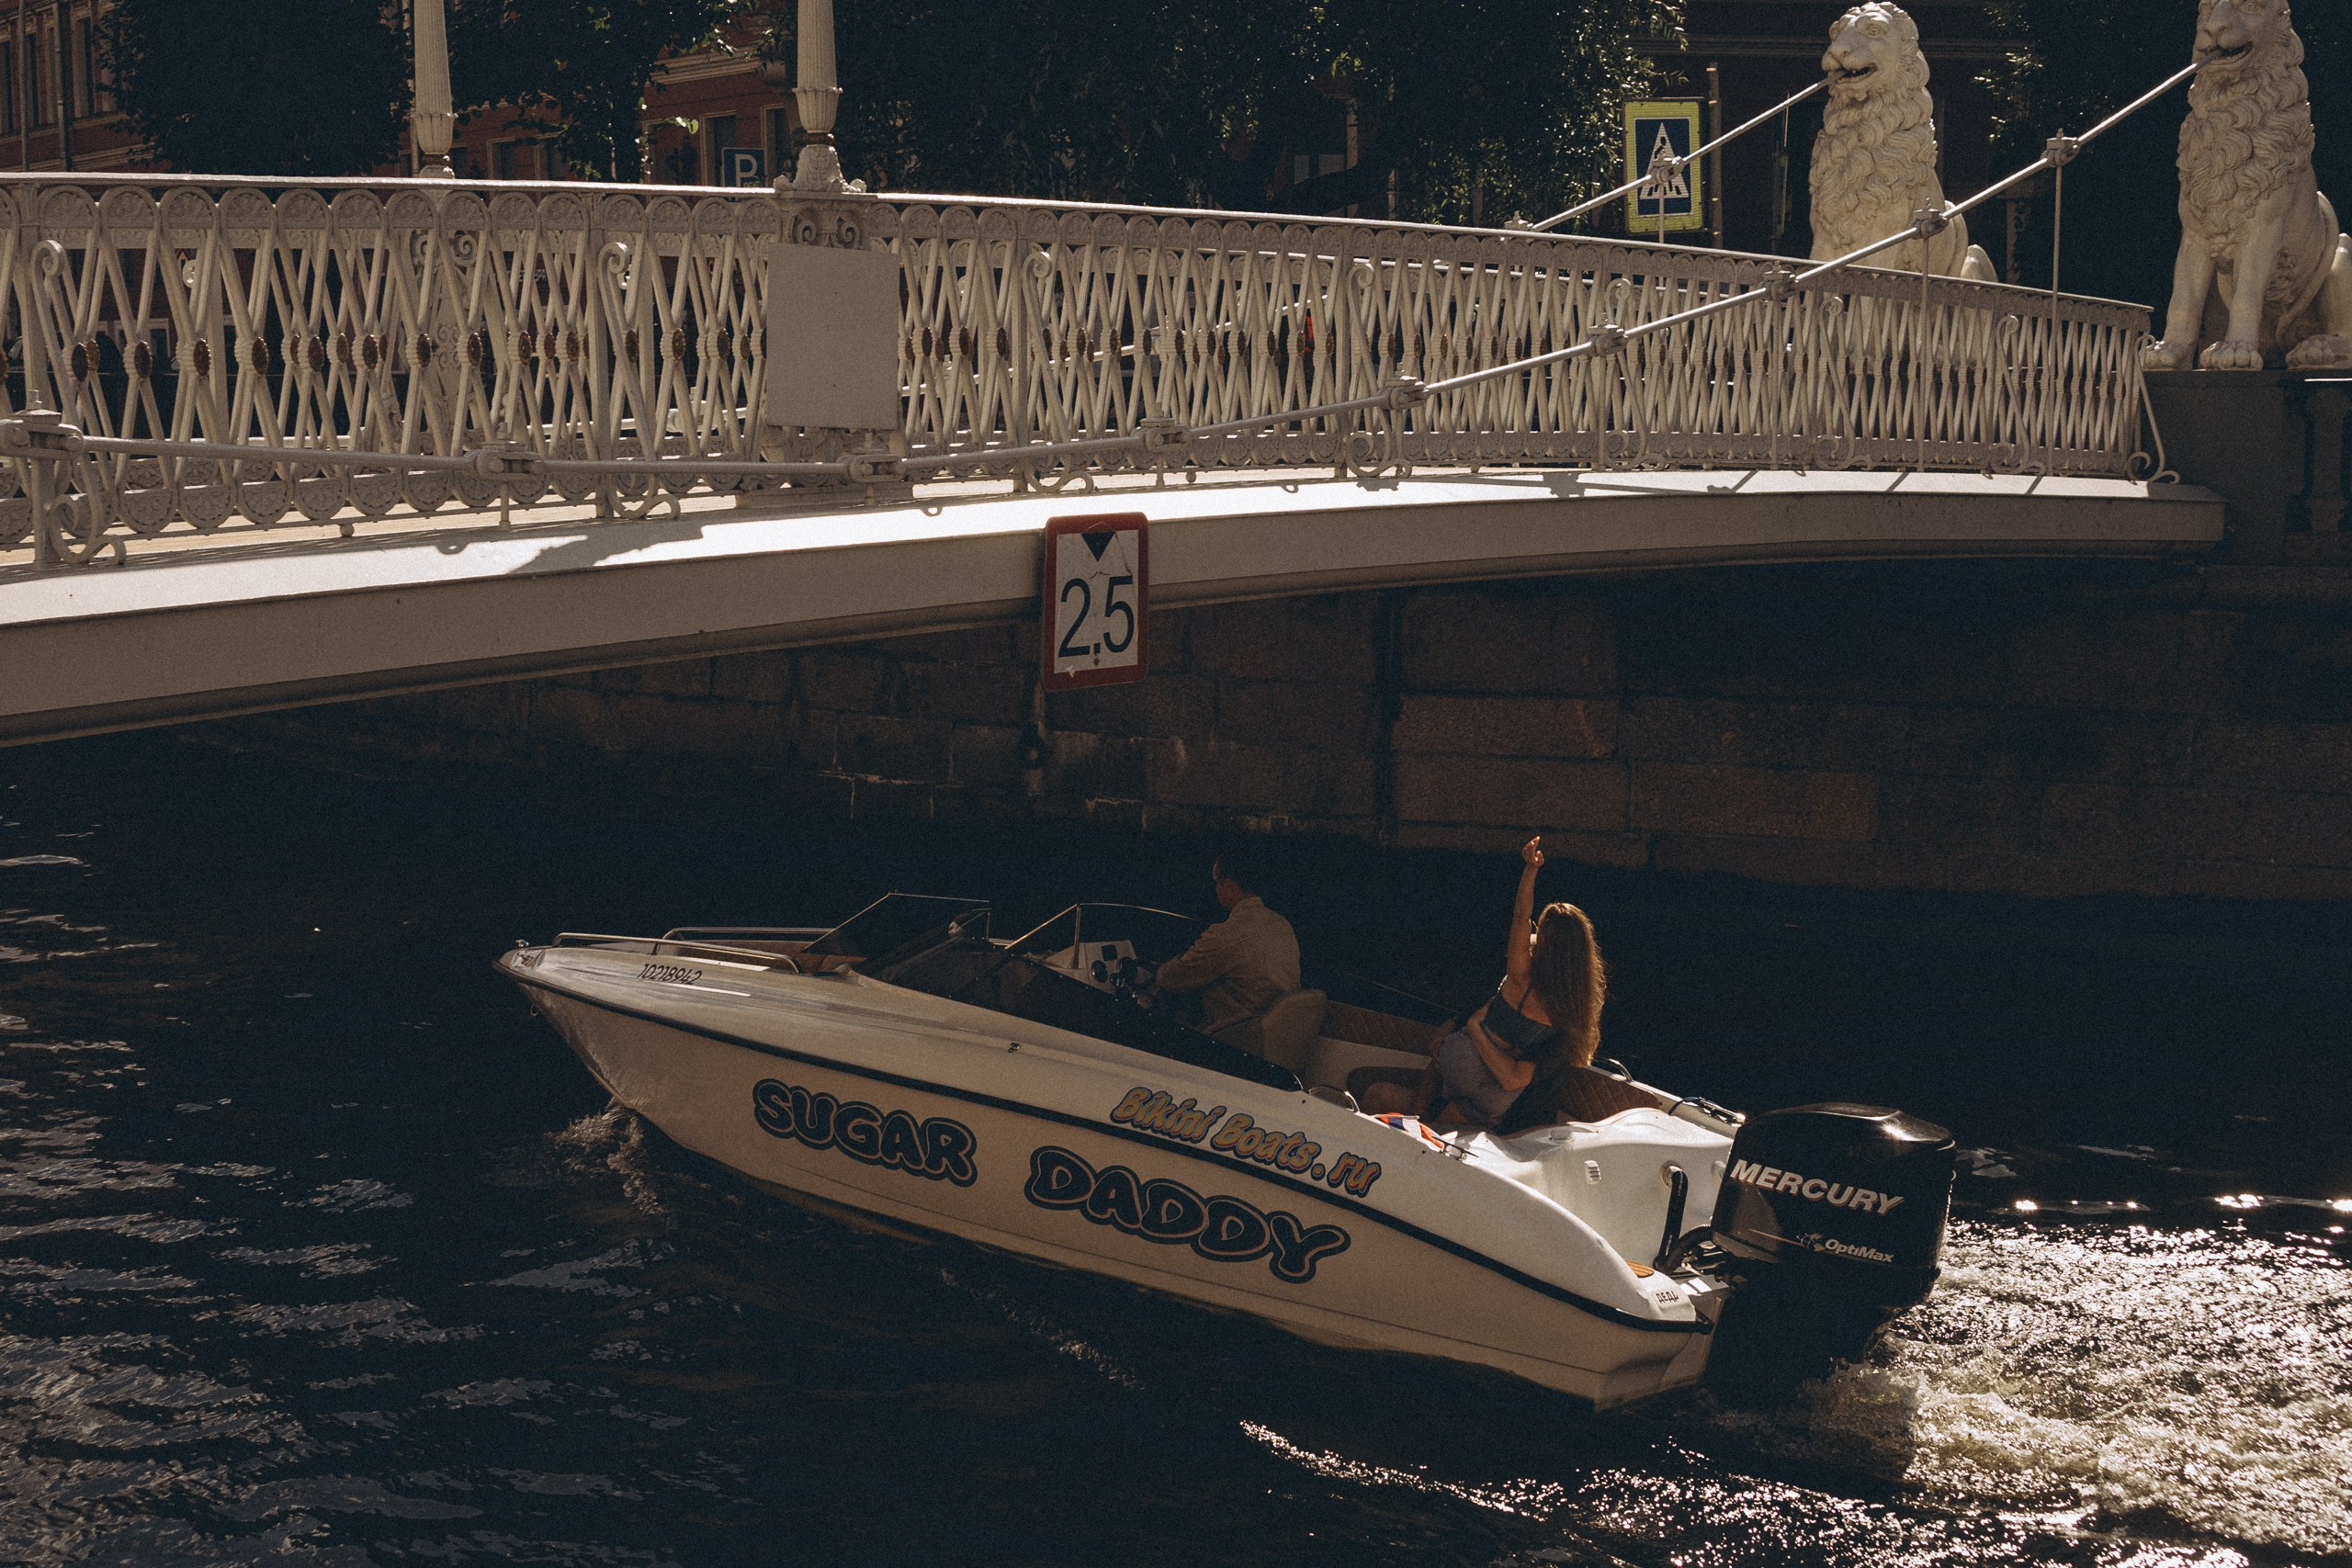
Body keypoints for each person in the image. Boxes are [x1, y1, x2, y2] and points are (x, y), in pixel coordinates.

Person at [1358, 836, 1607, 1132]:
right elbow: (1515, 1079)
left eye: (1540, 931)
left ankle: (1416, 1121)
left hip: (1469, 1065)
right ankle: (1422, 1119)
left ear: (1544, 942)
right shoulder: (1570, 1016)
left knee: (1409, 1090)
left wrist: (1530, 869)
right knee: (1433, 1109)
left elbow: (1519, 917)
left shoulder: (1521, 976)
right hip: (1498, 1098)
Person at [1153, 846, 1302, 1038]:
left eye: (1217, 883)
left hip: (1239, 1037)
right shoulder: (1282, 925)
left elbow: (1170, 979)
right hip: (1280, 1031)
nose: (1216, 890)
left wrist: (1158, 968)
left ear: (1230, 886)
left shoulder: (1226, 935)